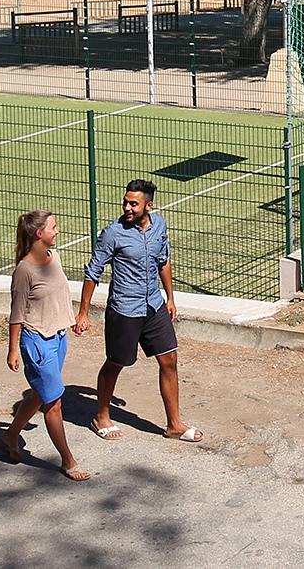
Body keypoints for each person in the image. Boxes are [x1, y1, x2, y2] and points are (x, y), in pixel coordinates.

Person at [75, 179, 201, 443]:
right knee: (116, 363)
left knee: (169, 360)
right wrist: (83, 312)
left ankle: (174, 424)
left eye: (134, 203)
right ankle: (101, 416)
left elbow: (163, 261)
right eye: (126, 202)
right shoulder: (113, 233)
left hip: (153, 306)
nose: (127, 208)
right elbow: (93, 272)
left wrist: (170, 297)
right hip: (125, 310)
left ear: (148, 205)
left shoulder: (160, 226)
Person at [1, 210, 91, 481]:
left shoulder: (55, 258)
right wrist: (13, 349)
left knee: (40, 395)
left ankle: (10, 435)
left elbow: (57, 295)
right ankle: (68, 460)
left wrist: (75, 319)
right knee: (53, 403)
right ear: (39, 234)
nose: (58, 231)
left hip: (59, 339)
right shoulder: (24, 271)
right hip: (36, 342)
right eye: (53, 227)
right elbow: (17, 312)